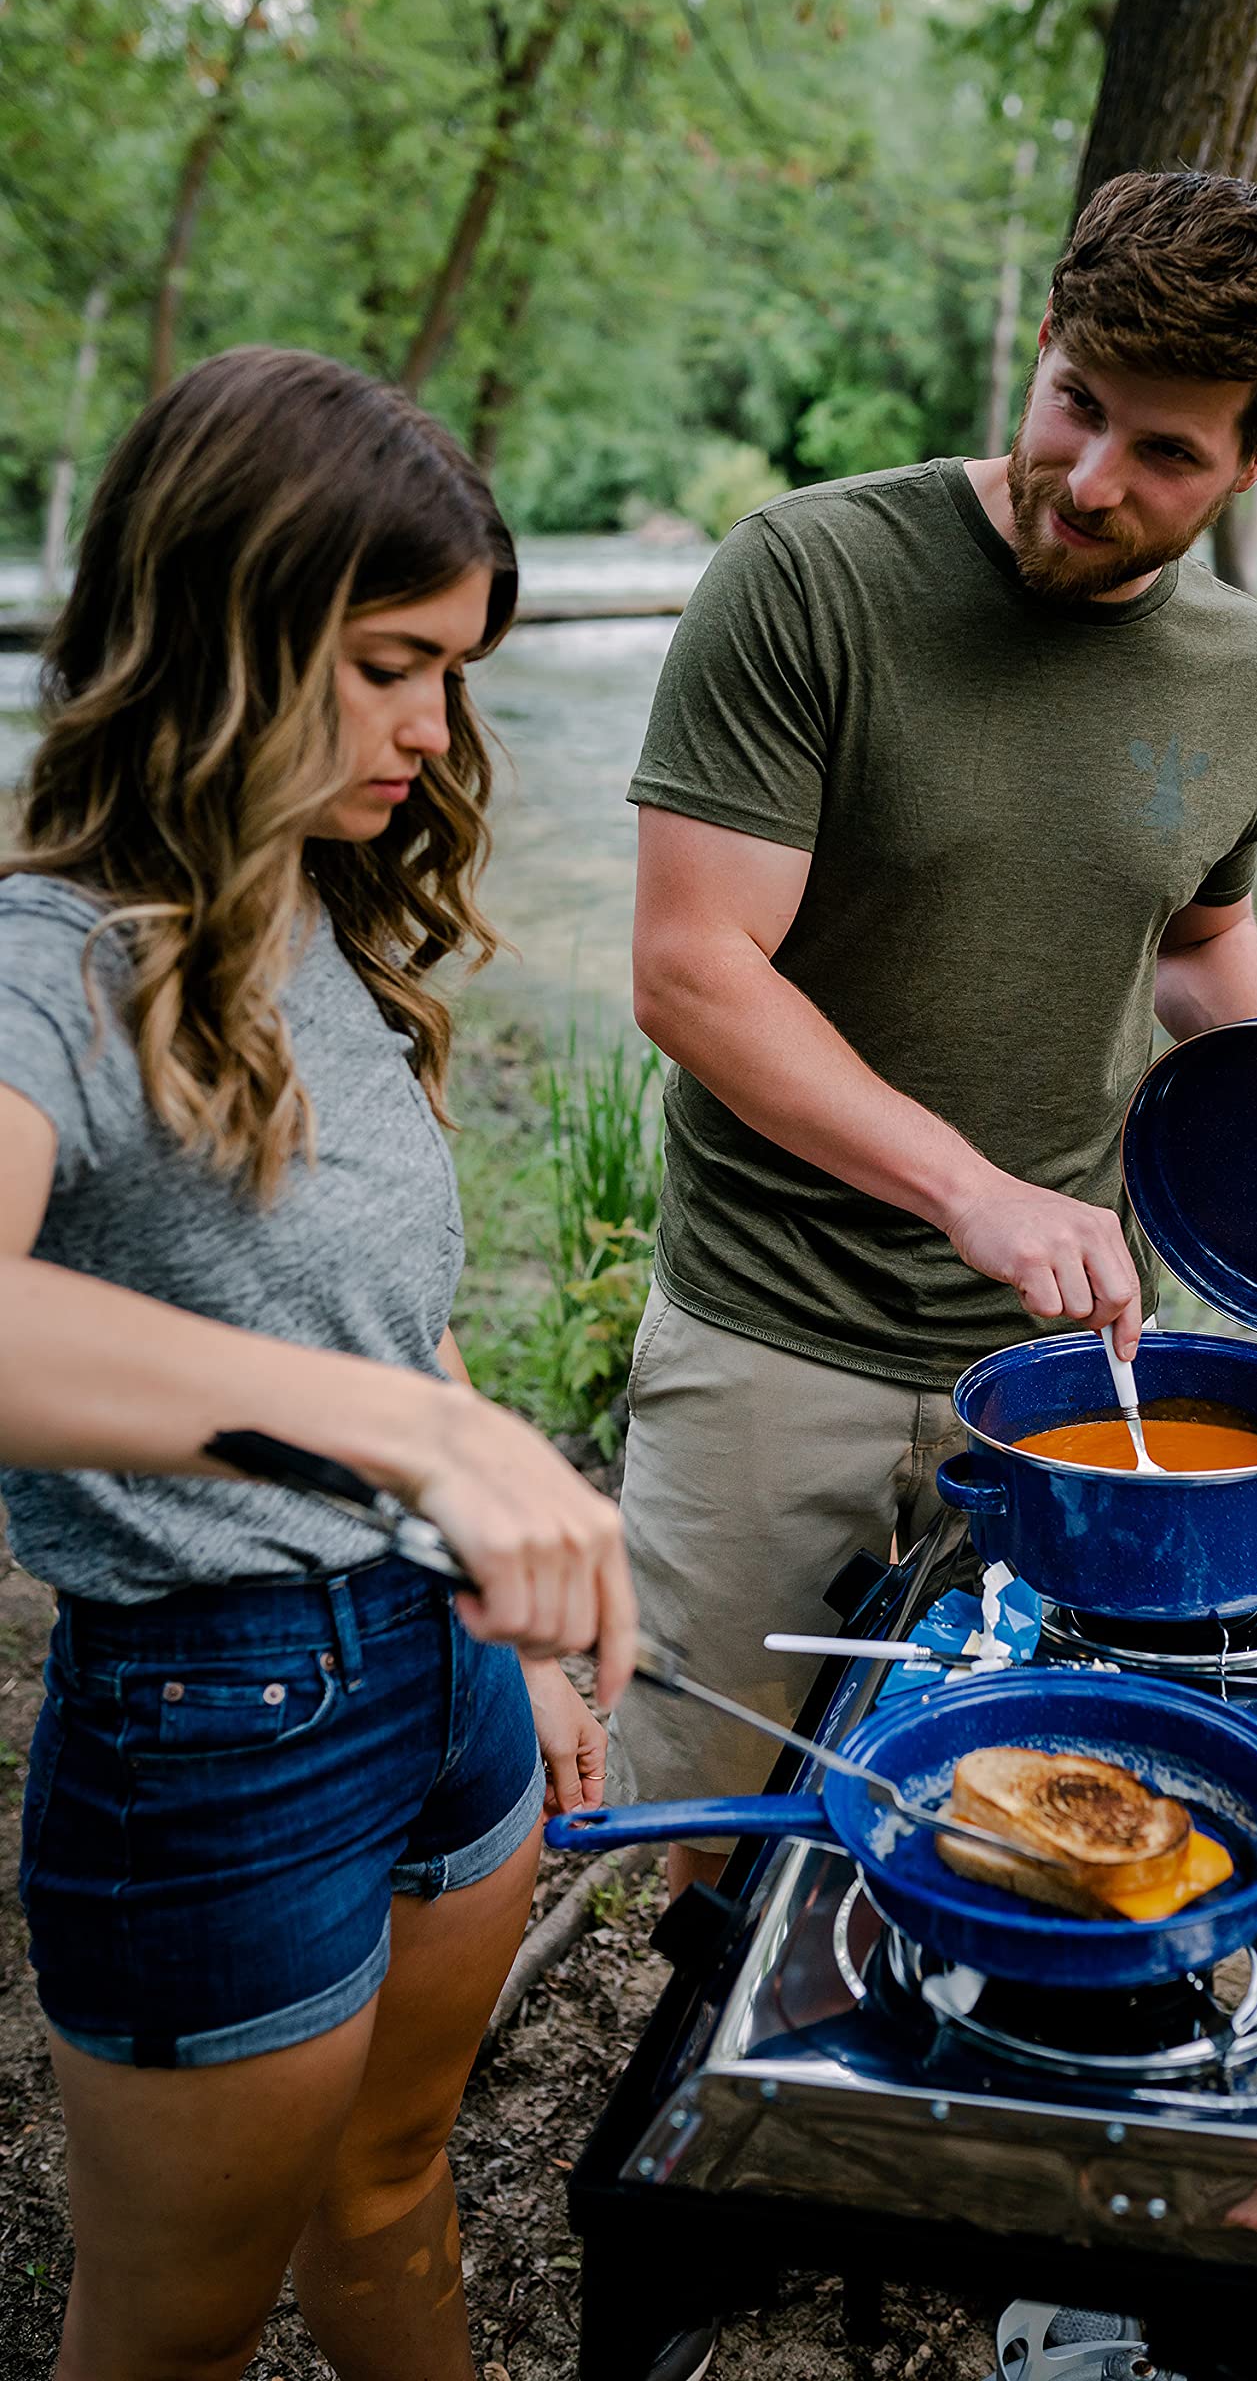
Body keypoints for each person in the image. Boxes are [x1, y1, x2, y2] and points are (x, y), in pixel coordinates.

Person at [0, 346, 636, 2381]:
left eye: (451, 667)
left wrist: (514, 1616)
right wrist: (425, 1434)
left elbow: (380, 1318)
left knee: (395, 2191)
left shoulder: (319, 916)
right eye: (385, 661)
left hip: (443, 1681)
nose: (431, 726)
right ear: (222, 627)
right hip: (213, 1734)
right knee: (174, 2326)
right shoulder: (47, 955)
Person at [612, 168, 1257, 1898]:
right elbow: (692, 968)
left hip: (1065, 1374)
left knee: (1020, 1817)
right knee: (722, 1824)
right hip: (774, 1331)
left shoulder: (1242, 669)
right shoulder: (809, 578)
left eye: (1164, 454)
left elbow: (1204, 946)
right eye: (1077, 403)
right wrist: (973, 1191)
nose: (1087, 482)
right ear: (1042, 341)